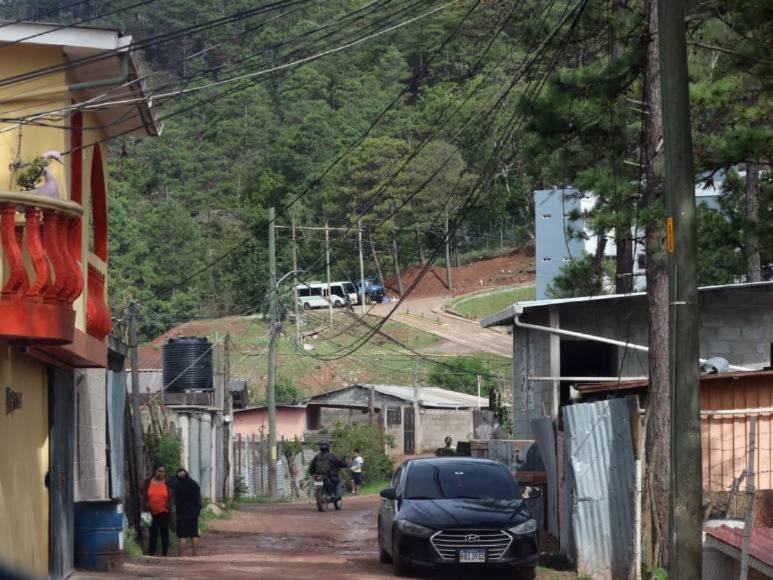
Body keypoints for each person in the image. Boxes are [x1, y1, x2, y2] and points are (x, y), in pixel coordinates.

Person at [143, 464, 172, 557]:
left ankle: (165, 554)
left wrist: (169, 504)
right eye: (159, 471)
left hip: (164, 512)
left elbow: (172, 496)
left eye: (163, 471)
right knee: (152, 534)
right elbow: (142, 494)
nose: (161, 473)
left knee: (164, 534)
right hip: (149, 513)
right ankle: (151, 554)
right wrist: (145, 504)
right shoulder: (147, 482)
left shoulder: (167, 483)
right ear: (154, 471)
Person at [174, 468, 202, 556]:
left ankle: (181, 554)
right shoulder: (194, 484)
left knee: (182, 535)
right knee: (194, 533)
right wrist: (197, 511)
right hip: (193, 513)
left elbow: (176, 500)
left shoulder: (178, 486)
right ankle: (196, 553)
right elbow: (198, 499)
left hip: (182, 513)